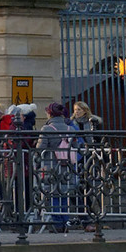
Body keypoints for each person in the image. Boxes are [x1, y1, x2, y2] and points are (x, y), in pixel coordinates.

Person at [39, 100, 77, 233]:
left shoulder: (47, 129)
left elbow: (40, 148)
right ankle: (66, 221)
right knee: (64, 194)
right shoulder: (70, 129)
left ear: (49, 114)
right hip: (67, 167)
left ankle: (57, 223)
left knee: (54, 194)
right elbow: (76, 146)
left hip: (51, 167)